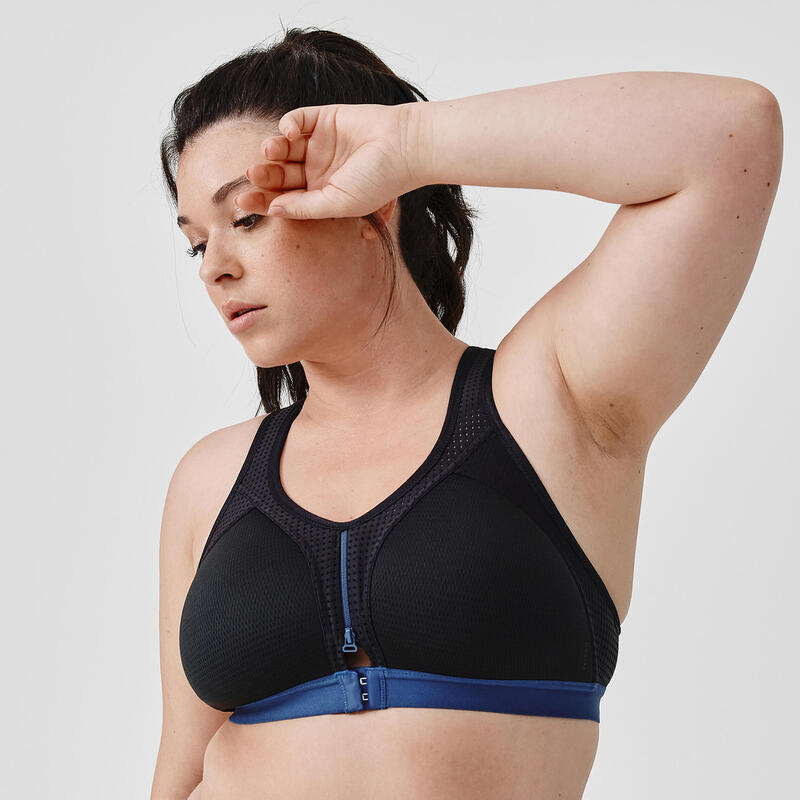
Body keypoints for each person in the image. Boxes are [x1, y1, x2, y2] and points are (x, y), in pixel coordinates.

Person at [151, 26, 782, 800]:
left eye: (246, 219)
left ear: (368, 202)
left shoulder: (548, 401)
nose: (215, 268)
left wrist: (411, 142)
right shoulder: (212, 480)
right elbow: (180, 769)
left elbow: (730, 134)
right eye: (196, 244)